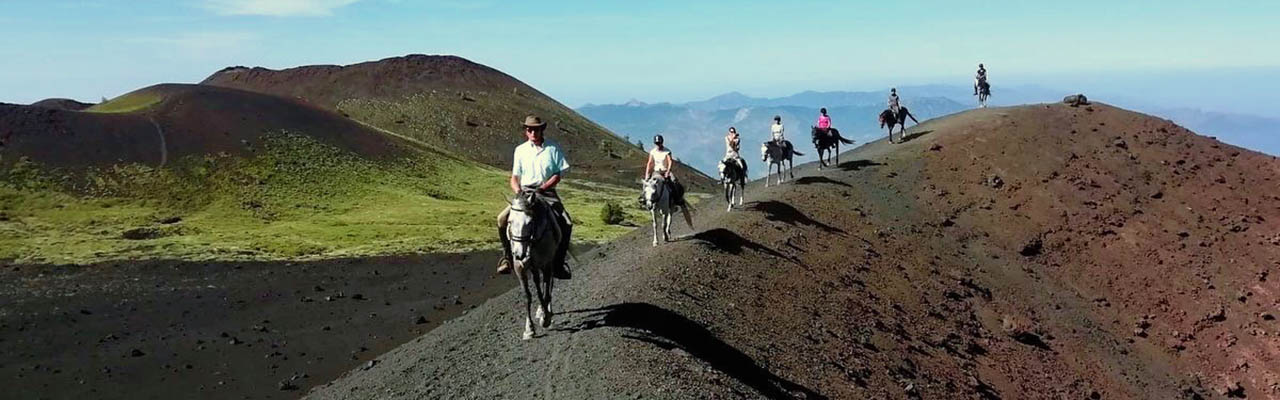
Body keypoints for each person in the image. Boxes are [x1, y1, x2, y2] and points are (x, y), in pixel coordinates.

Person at [497, 115, 572, 279]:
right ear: (526, 131)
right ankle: (507, 258)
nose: (532, 132)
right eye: (529, 129)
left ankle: (558, 264)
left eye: (536, 129)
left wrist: (543, 188)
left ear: (541, 130)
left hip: (547, 192)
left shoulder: (553, 148)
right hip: (524, 193)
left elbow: (557, 175)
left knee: (566, 222)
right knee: (502, 219)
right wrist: (518, 191)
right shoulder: (520, 150)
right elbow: (514, 177)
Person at [645, 134, 694, 228]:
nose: (658, 144)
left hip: (665, 171)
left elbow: (670, 161)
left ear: (662, 142)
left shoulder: (667, 151)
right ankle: (645, 199)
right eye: (656, 143)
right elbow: (650, 163)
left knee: (674, 182)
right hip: (656, 172)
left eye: (659, 143)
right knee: (648, 185)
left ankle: (677, 200)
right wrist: (647, 174)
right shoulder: (652, 152)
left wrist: (668, 171)